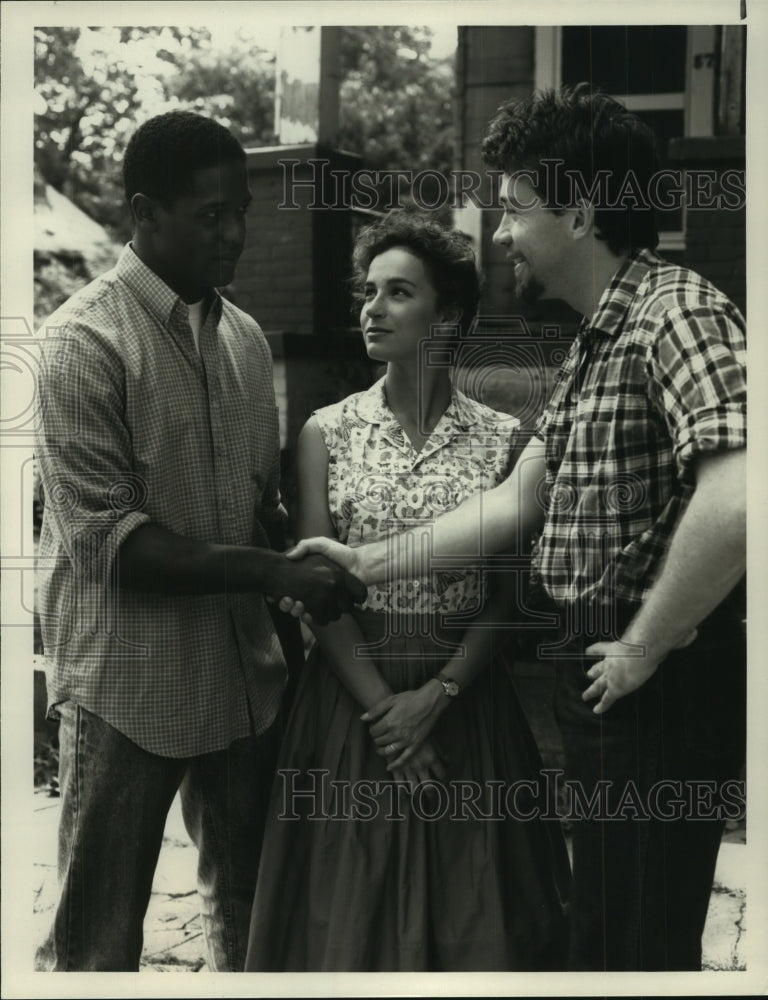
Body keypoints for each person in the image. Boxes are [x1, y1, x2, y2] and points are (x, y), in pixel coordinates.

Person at [286, 86, 747, 971]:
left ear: (578, 211)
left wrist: (645, 644)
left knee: (635, 948)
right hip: (605, 678)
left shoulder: (675, 311)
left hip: (650, 681)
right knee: (608, 936)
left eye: (514, 209)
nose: (499, 234)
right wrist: (364, 560)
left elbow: (742, 492)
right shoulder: (591, 343)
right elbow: (512, 506)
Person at [33, 110, 365, 972]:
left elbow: (255, 509)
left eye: (243, 212)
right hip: (127, 686)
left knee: (252, 916)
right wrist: (272, 567)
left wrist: (311, 556)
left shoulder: (246, 340)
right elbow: (114, 544)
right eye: (211, 215)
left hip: (243, 675)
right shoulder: (83, 343)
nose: (236, 234)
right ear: (145, 213)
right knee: (97, 935)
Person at [244, 211, 570, 972]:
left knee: (479, 917)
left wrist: (441, 695)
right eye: (369, 291)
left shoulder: (503, 438)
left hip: (466, 701)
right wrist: (385, 714)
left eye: (398, 293)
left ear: (448, 315)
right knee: (343, 921)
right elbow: (321, 585)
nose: (372, 308)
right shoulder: (327, 431)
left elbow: (507, 598)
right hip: (351, 703)